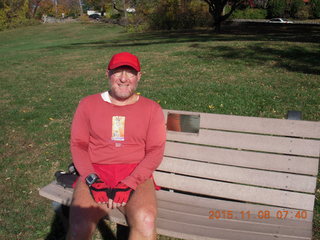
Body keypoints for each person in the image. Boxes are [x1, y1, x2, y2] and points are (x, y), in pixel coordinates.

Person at [67, 52, 166, 240]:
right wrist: (91, 179)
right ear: (107, 74)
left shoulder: (151, 108)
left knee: (146, 220)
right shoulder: (87, 104)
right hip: (96, 170)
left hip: (135, 172)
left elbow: (155, 151)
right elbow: (78, 145)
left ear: (139, 77)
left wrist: (131, 182)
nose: (123, 79)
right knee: (79, 227)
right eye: (117, 72)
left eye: (129, 73)